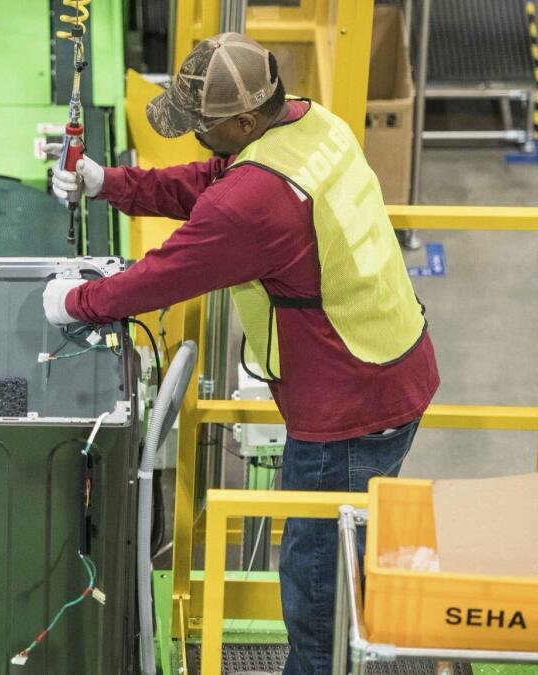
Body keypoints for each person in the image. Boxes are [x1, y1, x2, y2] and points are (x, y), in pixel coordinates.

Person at [43, 33, 439, 675]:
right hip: (392, 365)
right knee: (342, 556)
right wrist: (112, 184)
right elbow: (216, 183)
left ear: (246, 119)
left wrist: (79, 302)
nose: (193, 136)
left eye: (202, 125)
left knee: (316, 584)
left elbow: (170, 270)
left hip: (348, 410)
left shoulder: (257, 200)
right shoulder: (312, 125)